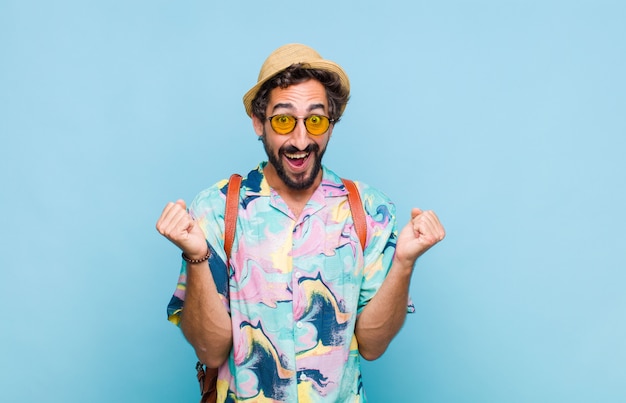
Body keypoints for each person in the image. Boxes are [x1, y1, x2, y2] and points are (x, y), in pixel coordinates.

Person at [156, 43, 445, 402]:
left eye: (316, 120)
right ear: (258, 123)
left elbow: (372, 346)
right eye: (283, 119)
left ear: (330, 125)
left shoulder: (369, 211)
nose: (300, 139)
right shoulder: (217, 209)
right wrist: (196, 256)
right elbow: (210, 352)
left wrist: (404, 262)